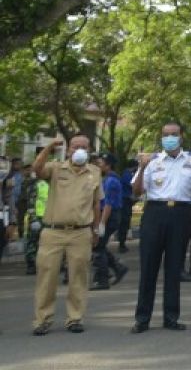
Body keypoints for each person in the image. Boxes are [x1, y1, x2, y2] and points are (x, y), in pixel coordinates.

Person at [131, 121, 191, 333]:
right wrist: (142, 167)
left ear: (181, 137)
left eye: (173, 134)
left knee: (174, 268)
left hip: (181, 214)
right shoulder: (151, 162)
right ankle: (142, 318)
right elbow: (136, 191)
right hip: (154, 213)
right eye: (165, 134)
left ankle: (171, 317)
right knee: (148, 268)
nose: (169, 137)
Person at [30, 134, 101, 335]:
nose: (79, 150)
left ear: (89, 150)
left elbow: (96, 203)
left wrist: (96, 230)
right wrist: (50, 146)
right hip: (53, 231)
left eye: (84, 147)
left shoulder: (94, 172)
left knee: (78, 276)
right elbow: (36, 169)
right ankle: (43, 320)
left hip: (81, 232)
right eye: (75, 146)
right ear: (68, 149)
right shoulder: (55, 168)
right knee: (47, 277)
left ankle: (75, 318)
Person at [90, 153, 128, 291]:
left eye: (100, 163)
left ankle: (102, 279)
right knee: (99, 246)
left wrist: (101, 224)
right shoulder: (106, 179)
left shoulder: (111, 181)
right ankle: (118, 268)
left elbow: (108, 205)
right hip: (106, 215)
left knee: (98, 247)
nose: (98, 166)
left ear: (108, 165)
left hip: (109, 216)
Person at [25, 176, 50, 274]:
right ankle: (31, 265)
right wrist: (33, 219)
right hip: (38, 218)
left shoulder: (52, 184)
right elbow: (31, 203)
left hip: (49, 218)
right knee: (33, 242)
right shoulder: (35, 184)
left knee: (49, 244)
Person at [117, 159, 135, 254]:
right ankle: (121, 243)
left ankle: (122, 242)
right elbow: (132, 184)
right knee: (124, 221)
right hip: (125, 201)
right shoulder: (127, 175)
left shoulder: (126, 174)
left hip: (126, 200)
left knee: (125, 221)